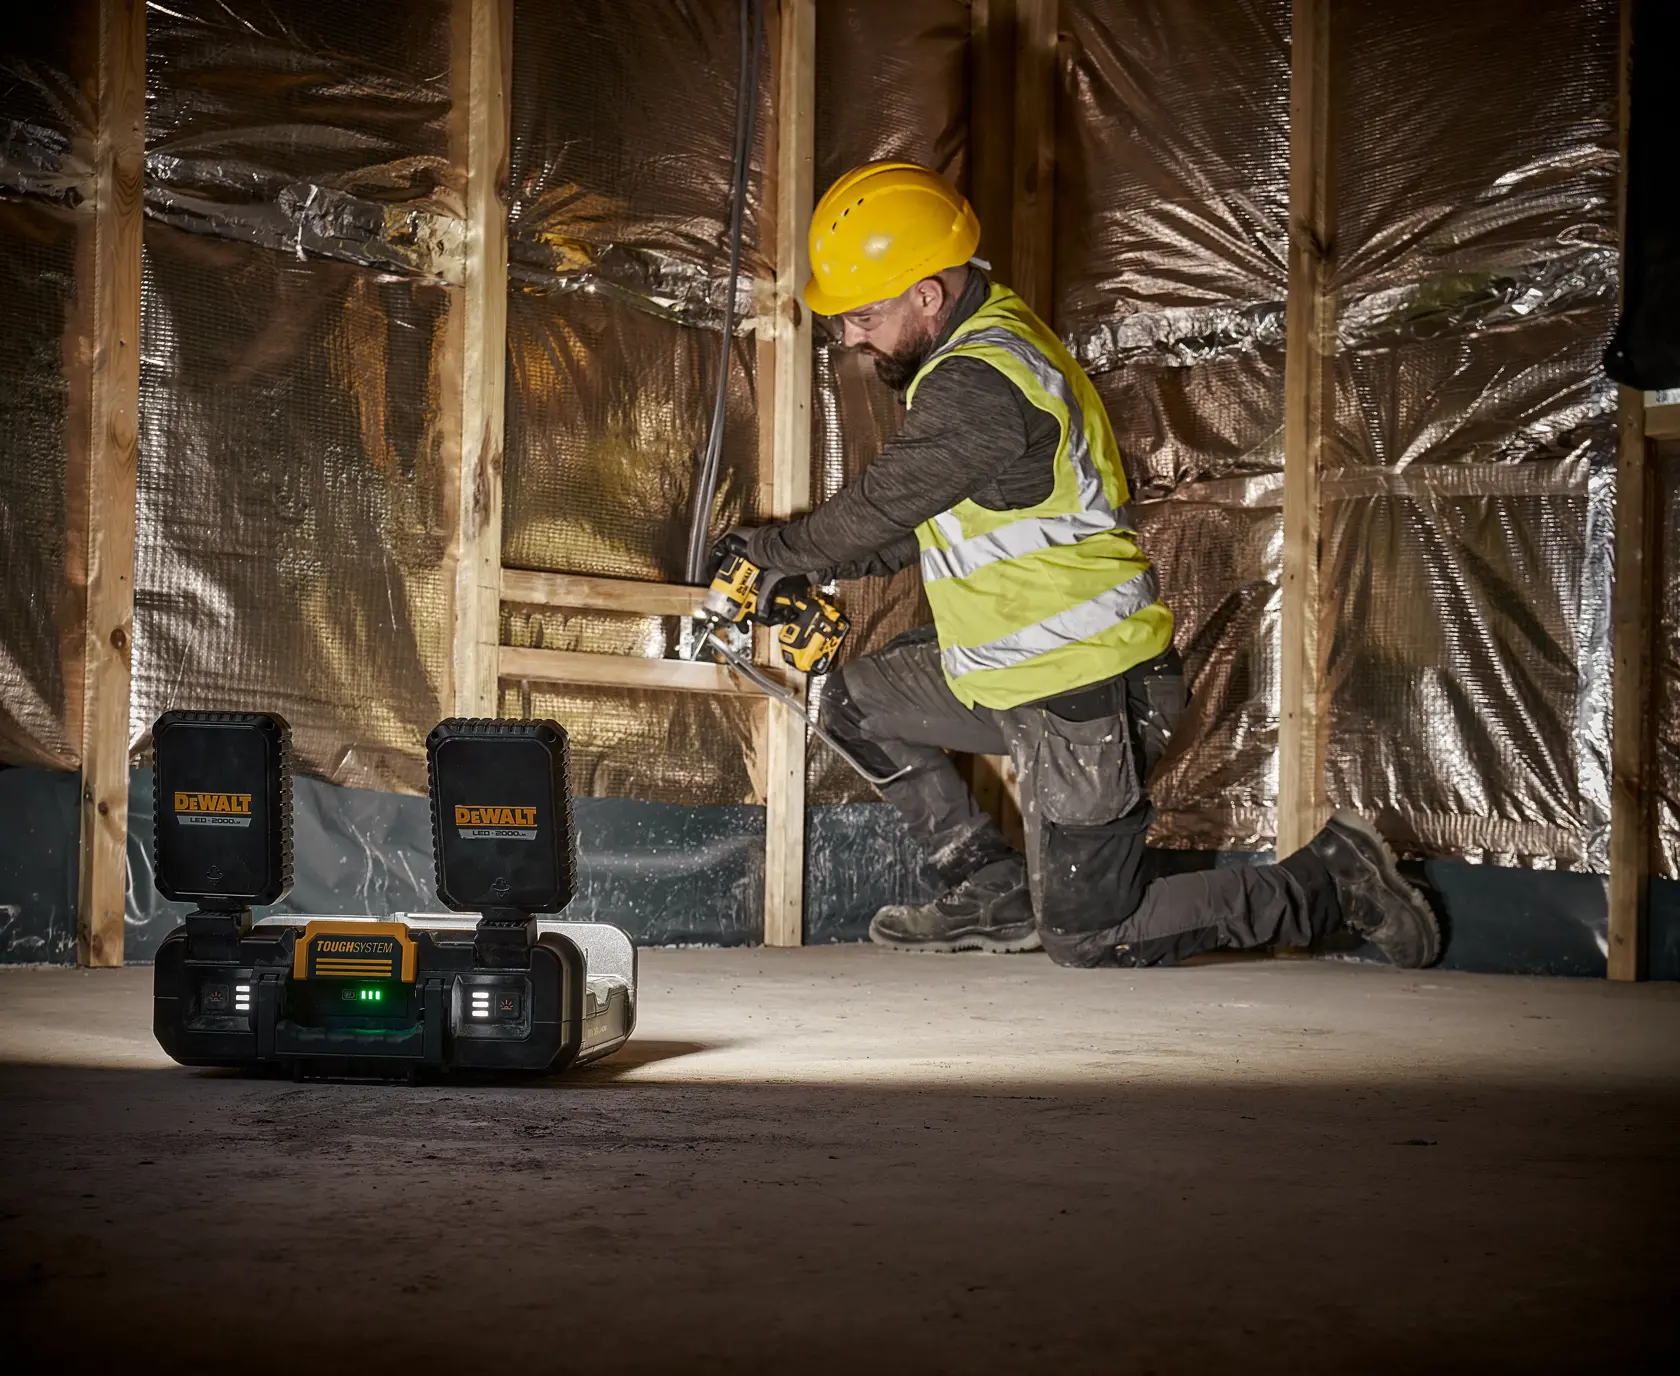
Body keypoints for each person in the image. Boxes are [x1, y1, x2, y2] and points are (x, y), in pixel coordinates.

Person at [726, 161, 1440, 969]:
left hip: (1086, 696)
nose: (850, 336)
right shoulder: (984, 352)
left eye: (861, 315)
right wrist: (802, 566)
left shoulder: (980, 383)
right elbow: (924, 522)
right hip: (1010, 682)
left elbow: (887, 505)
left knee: (1093, 934)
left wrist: (773, 554)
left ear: (927, 294)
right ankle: (993, 891)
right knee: (855, 704)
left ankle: (1329, 885)